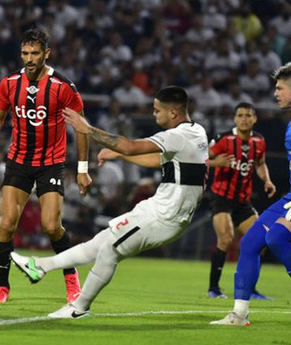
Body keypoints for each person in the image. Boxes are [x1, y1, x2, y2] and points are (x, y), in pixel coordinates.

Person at [10, 86, 208, 318]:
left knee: (110, 250)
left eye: (157, 111)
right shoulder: (197, 132)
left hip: (165, 216)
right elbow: (158, 161)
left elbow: (130, 145)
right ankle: (40, 267)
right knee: (98, 243)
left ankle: (78, 308)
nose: (154, 115)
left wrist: (88, 129)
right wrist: (121, 155)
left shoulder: (177, 135)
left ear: (173, 113)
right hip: (159, 209)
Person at [211, 61, 291, 330]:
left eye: (280, 88)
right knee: (249, 243)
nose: (275, 93)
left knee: (276, 237)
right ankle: (239, 313)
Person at [0, 28, 92, 304]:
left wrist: (83, 168)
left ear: (46, 54)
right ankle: (3, 286)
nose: (29, 58)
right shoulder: (10, 84)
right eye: (25, 53)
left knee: (51, 226)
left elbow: (81, 128)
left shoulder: (63, 87)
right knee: (5, 225)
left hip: (50, 164)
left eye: (35, 53)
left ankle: (71, 277)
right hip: (18, 162)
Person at [206, 102, 276, 300]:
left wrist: (267, 180)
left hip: (243, 202)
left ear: (255, 119)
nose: (244, 119)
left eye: (248, 115)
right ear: (235, 119)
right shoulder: (224, 139)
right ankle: (214, 289)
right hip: (221, 197)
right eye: (240, 115)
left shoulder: (259, 141)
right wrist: (215, 163)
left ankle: (250, 290)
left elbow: (260, 164)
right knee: (226, 239)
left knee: (261, 241)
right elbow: (200, 159)